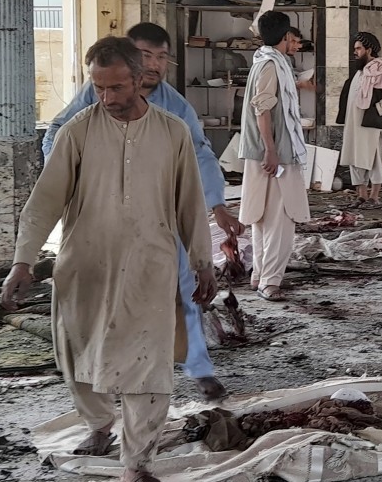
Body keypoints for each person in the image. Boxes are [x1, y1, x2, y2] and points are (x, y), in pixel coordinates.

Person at [2, 36, 216, 482]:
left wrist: (202, 262)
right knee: (81, 359)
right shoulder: (76, 131)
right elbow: (44, 203)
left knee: (149, 365)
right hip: (85, 267)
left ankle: (137, 464)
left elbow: (190, 204)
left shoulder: (172, 132)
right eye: (99, 88)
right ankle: (100, 425)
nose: (107, 98)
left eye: (117, 87)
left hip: (148, 267)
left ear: (141, 80)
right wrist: (22, 262)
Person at [42, 22, 238, 400]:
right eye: (145, 55)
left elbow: (200, 155)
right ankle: (101, 381)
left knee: (186, 290)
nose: (154, 64)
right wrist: (73, 187)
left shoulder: (175, 108)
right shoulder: (94, 98)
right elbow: (56, 137)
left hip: (158, 220)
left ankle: (198, 368)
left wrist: (217, 205)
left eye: (161, 56)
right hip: (101, 221)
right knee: (99, 299)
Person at [239, 10, 312, 302]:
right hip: (275, 153)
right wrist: (271, 150)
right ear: (285, 37)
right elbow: (263, 108)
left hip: (267, 151)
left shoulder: (267, 60)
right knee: (280, 220)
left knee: (262, 216)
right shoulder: (270, 65)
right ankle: (270, 281)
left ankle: (260, 275)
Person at [340, 32, 382, 209]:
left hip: (371, 124)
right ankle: (361, 195)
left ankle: (374, 196)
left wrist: (375, 112)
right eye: (355, 49)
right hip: (354, 123)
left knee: (375, 158)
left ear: (369, 49)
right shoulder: (360, 72)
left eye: (359, 48)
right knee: (354, 156)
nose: (356, 52)